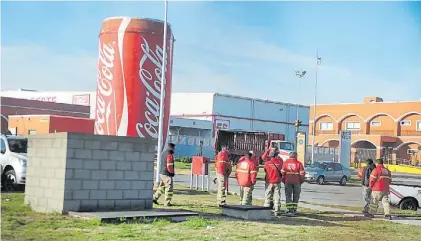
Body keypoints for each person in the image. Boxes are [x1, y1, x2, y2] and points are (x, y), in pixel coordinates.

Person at [262, 147, 283, 215]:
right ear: (276, 155)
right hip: (277, 182)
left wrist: (268, 150)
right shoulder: (280, 163)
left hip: (269, 182)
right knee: (277, 196)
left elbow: (265, 170)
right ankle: (277, 210)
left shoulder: (267, 163)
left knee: (268, 196)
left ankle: (266, 210)